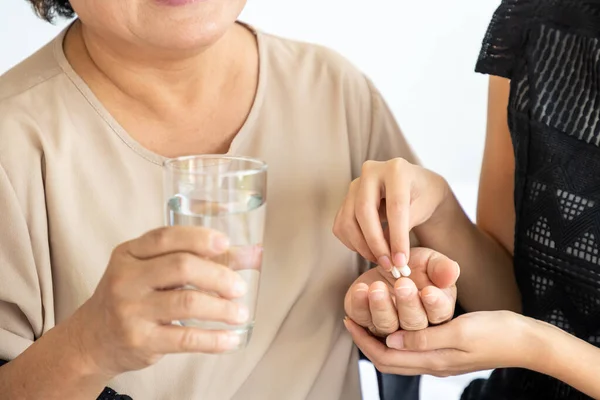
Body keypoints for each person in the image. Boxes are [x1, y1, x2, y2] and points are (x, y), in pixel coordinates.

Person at [0, 0, 455, 399]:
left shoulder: (333, 88)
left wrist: (431, 240)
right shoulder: (13, 142)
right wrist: (87, 348)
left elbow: (499, 312)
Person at [335, 0, 600, 399]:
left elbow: (524, 332)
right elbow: (512, 298)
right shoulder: (538, 22)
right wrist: (440, 212)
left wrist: (537, 347)